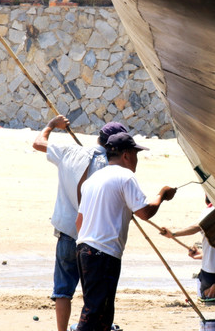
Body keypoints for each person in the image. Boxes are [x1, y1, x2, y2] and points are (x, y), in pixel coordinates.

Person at [32, 115, 128, 331]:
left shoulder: (70, 152)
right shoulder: (113, 168)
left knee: (63, 289)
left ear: (99, 140)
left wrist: (51, 125)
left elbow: (38, 143)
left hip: (68, 230)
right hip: (95, 238)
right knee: (94, 291)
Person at [75, 132, 177, 331]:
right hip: (103, 253)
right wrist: (162, 194)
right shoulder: (126, 177)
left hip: (84, 250)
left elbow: (80, 222)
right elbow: (145, 212)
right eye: (136, 154)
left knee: (102, 312)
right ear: (127, 155)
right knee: (95, 312)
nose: (137, 159)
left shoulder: (93, 180)